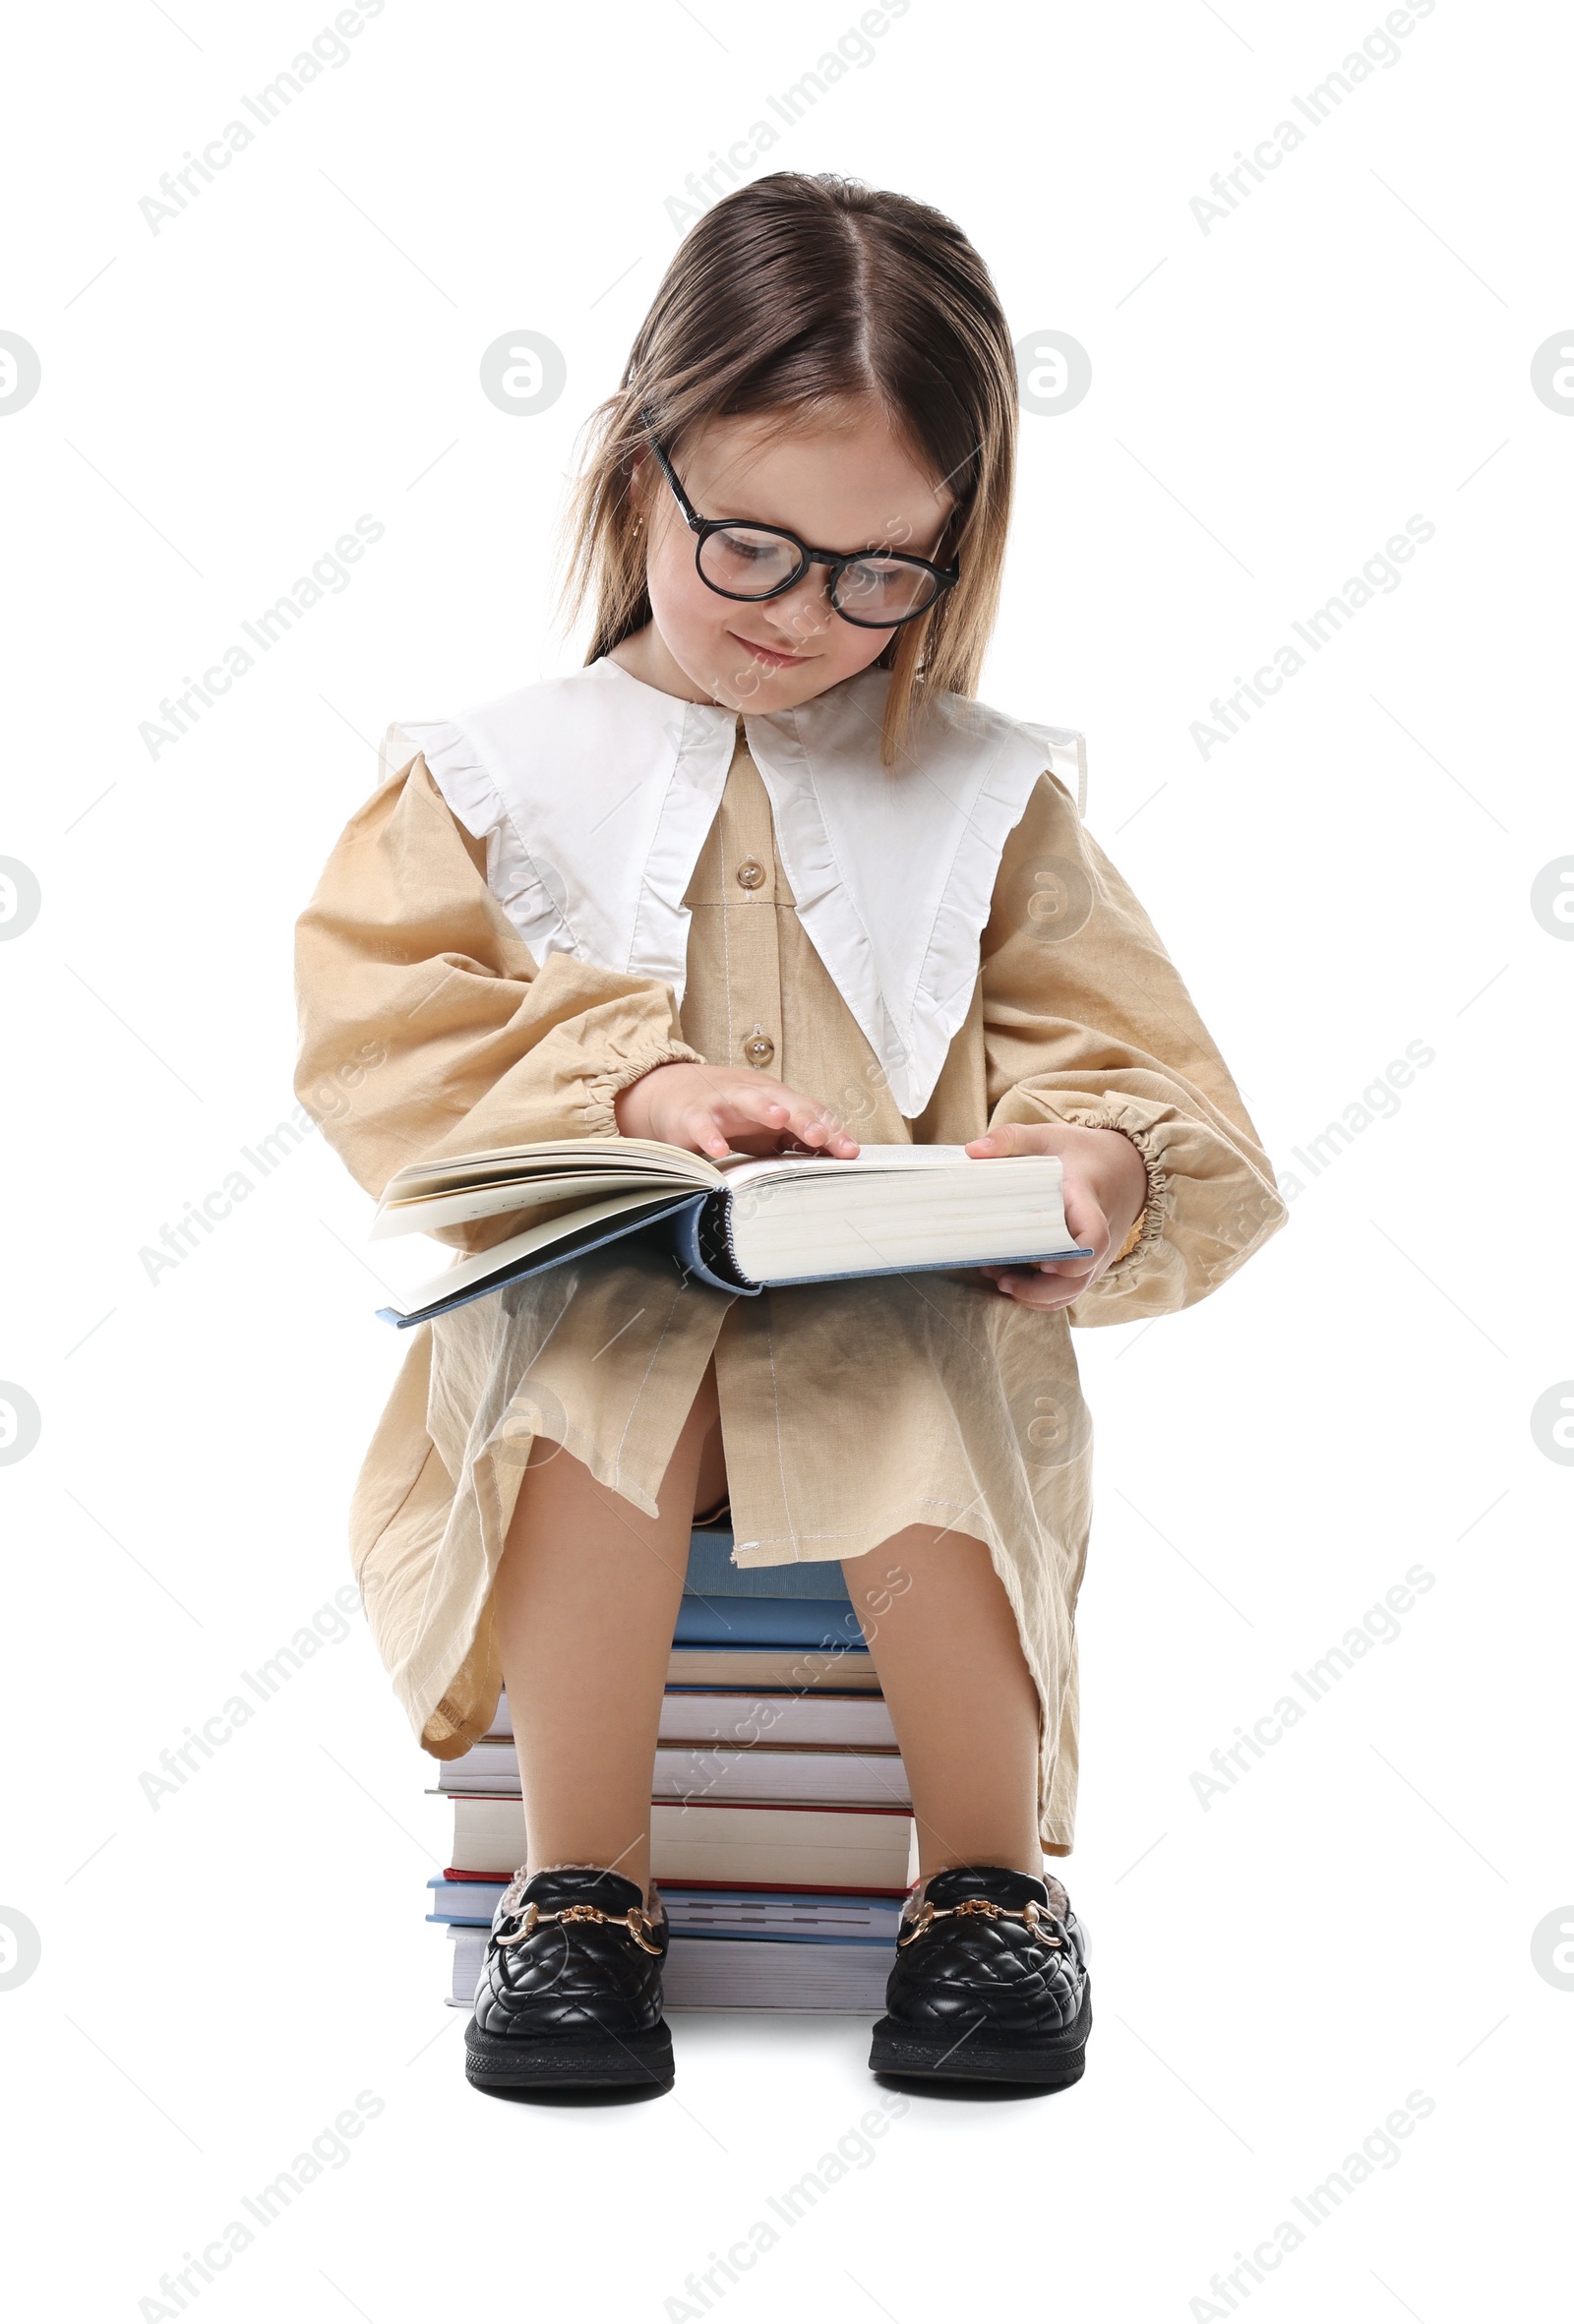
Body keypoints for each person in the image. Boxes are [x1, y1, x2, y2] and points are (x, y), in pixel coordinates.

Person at [294, 171, 1285, 2094]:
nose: (802, 615)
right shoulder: (488, 774)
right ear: (632, 471)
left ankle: (983, 1889)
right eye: (744, 545)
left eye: (874, 571)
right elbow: (384, 1034)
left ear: (948, 548)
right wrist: (636, 1093)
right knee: (589, 1402)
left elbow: (1115, 1052)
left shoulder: (989, 799)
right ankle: (576, 1892)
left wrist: (1083, 1170)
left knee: (917, 1396)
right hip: (601, 1297)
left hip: (894, 1297)